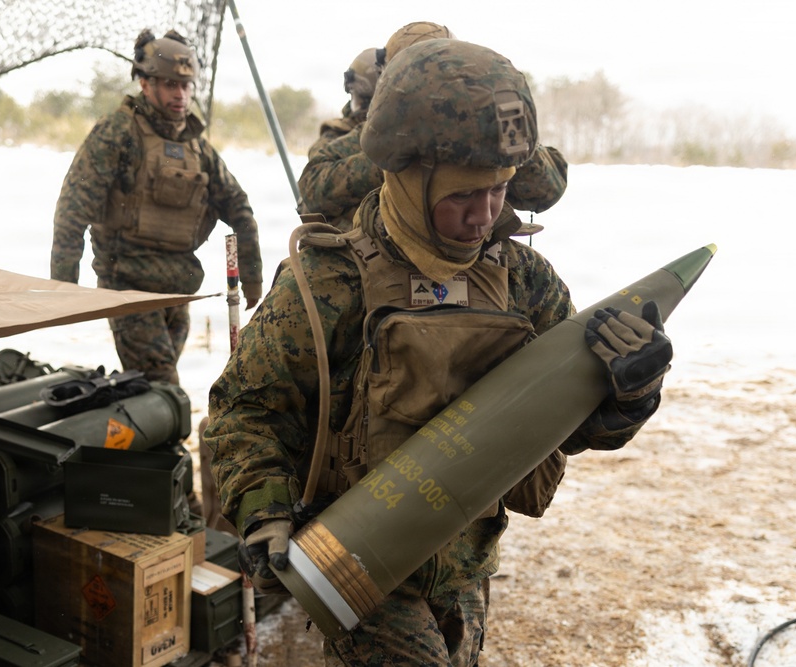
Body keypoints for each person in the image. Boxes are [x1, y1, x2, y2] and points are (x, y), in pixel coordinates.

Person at [206, 38, 673, 665]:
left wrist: (628, 396)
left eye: (500, 189)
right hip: (356, 564)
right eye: (461, 195)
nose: (484, 214)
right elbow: (246, 410)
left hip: (467, 563)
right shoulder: (328, 281)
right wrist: (264, 507)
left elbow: (562, 424)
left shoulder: (524, 281)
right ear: (405, 178)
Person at [50, 28, 263, 385]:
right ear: (145, 84)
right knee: (163, 384)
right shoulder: (118, 133)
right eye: (170, 85)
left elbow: (240, 208)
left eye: (186, 86)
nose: (180, 95)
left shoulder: (197, 147)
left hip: (178, 290)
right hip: (128, 288)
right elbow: (73, 208)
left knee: (148, 387)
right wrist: (64, 287)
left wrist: (252, 280)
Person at [296, 21, 569, 234]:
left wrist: (500, 137)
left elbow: (546, 190)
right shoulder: (374, 133)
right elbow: (313, 191)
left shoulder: (488, 126)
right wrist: (400, 159)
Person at [295, 47, 380, 230]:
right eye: (357, 98)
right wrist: (383, 165)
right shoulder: (336, 136)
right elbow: (313, 190)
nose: (361, 109)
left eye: (367, 101)